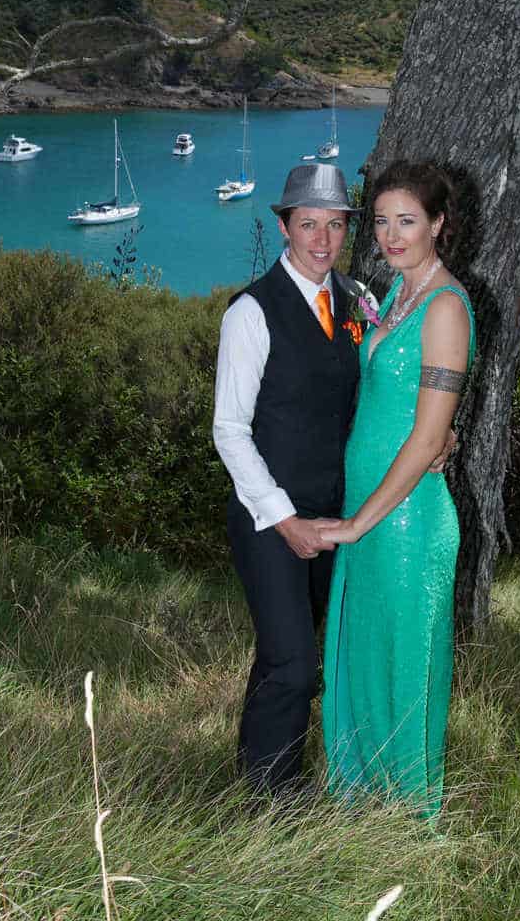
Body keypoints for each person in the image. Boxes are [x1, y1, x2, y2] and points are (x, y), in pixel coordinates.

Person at [318, 159, 475, 817]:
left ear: (437, 224)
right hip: (370, 506)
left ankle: (409, 822)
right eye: (381, 221)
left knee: (403, 666)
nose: (390, 235)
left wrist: (358, 524)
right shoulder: (393, 297)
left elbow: (425, 436)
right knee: (365, 656)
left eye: (406, 221)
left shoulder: (445, 307)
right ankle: (362, 813)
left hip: (405, 519)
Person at [212, 162, 361, 796]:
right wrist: (284, 518)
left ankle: (254, 776)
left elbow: (377, 395)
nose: (322, 240)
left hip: (334, 516)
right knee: (296, 664)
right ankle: (275, 803)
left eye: (335, 225)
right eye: (308, 225)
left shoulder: (357, 301)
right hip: (268, 518)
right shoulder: (250, 312)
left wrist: (440, 439)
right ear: (284, 226)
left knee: (285, 654)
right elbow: (229, 430)